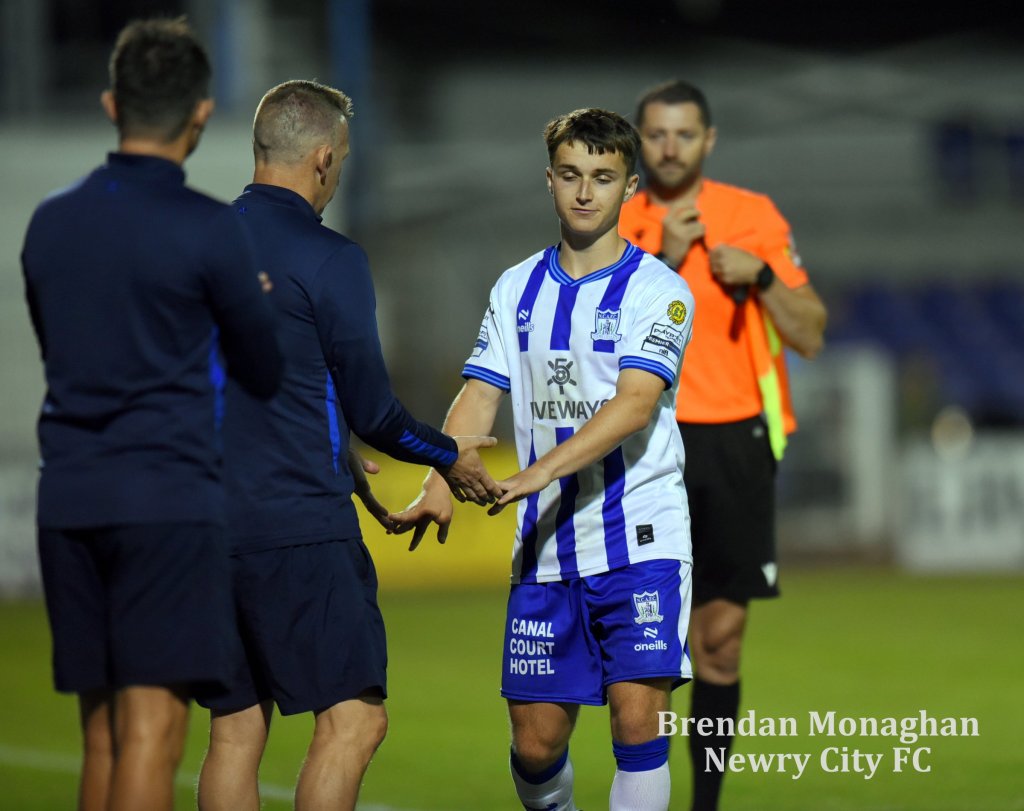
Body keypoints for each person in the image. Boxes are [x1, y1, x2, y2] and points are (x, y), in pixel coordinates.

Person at [195, 80, 500, 811]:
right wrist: (448, 455)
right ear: (325, 159)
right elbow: (377, 413)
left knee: (235, 731)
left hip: (201, 526)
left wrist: (328, 447)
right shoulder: (329, 258)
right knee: (354, 722)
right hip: (298, 525)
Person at [392, 108, 696, 811]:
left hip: (641, 538)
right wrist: (439, 475)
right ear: (550, 180)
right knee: (535, 745)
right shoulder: (515, 288)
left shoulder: (659, 291)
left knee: (637, 722)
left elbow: (634, 404)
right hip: (547, 547)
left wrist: (538, 471)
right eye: (570, 175)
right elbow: (479, 395)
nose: (585, 192)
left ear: (629, 187)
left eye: (602, 177)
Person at [20, 18, 283, 811]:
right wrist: (242, 307)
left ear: (111, 104)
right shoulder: (208, 227)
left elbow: (61, 341)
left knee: (100, 735)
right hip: (164, 500)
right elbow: (262, 370)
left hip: (68, 498)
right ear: (201, 113)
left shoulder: (49, 222)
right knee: (152, 732)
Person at [618, 79, 827, 810]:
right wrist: (667, 261)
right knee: (646, 644)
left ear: (709, 140)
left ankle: (704, 804)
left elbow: (810, 331)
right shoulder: (614, 220)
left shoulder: (752, 215)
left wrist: (763, 275)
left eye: (685, 134)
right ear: (638, 142)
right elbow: (588, 338)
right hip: (645, 445)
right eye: (656, 134)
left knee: (720, 641)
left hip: (738, 440)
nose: (670, 148)